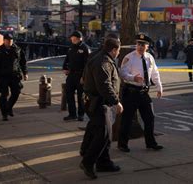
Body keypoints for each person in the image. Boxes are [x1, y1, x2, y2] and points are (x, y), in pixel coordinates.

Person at [80, 37, 123, 179]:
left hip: (95, 102)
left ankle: (103, 162)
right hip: (99, 103)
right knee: (103, 134)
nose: (118, 54)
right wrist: (116, 101)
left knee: (96, 130)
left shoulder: (98, 56)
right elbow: (104, 85)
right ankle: (87, 162)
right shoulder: (103, 61)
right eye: (118, 51)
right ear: (114, 50)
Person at [118, 33, 163, 152]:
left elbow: (155, 73)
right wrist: (134, 78)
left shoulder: (150, 57)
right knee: (127, 119)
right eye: (138, 44)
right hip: (131, 92)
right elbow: (123, 73)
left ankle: (150, 143)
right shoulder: (129, 57)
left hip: (144, 93)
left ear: (147, 46)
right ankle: (122, 144)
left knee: (150, 118)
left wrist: (159, 87)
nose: (140, 47)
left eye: (143, 45)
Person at [0, 33, 28, 121]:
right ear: (4, 40)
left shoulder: (17, 49)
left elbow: (23, 62)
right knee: (4, 94)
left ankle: (9, 107)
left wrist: (25, 73)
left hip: (15, 75)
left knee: (16, 92)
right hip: (3, 76)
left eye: (11, 40)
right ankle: (4, 114)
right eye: (8, 40)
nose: (10, 42)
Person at [62, 31, 90, 121]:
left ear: (79, 38)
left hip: (80, 75)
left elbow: (88, 64)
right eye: (72, 38)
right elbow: (67, 59)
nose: (72, 39)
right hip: (71, 74)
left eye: (74, 38)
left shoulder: (85, 48)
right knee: (69, 94)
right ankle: (72, 114)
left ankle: (81, 114)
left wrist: (84, 76)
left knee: (80, 96)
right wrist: (65, 68)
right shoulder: (71, 48)